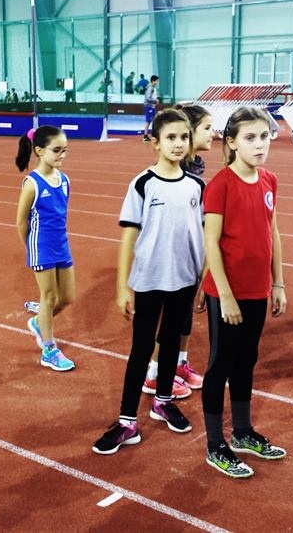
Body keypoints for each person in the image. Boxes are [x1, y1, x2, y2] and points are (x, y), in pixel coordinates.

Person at [92, 108, 204, 455]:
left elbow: (201, 235)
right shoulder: (142, 184)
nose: (178, 144)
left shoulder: (197, 186)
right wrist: (122, 287)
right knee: (142, 348)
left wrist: (202, 279)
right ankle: (127, 421)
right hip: (150, 280)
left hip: (184, 279)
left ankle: (163, 401)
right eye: (170, 137)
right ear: (155, 142)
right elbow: (129, 237)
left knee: (170, 342)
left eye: (183, 137)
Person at [201, 106, 287, 479]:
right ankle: (215, 444)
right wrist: (225, 294)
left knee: (246, 361)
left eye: (264, 136)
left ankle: (242, 431)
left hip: (257, 290)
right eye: (250, 138)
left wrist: (278, 282)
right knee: (220, 364)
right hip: (228, 294)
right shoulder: (220, 185)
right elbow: (211, 242)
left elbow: (272, 232)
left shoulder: (269, 180)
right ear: (232, 143)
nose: (259, 144)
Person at [141, 104, 216, 399]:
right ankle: (154, 374)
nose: (212, 133)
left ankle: (179, 363)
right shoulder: (176, 169)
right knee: (172, 318)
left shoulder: (196, 165)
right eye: (207, 128)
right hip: (171, 254)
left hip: (190, 252)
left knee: (185, 316)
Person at [15, 126, 76, 372]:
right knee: (49, 297)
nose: (62, 155)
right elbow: (21, 222)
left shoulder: (65, 180)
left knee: (67, 298)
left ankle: (40, 322)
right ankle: (49, 350)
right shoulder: (32, 183)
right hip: (41, 246)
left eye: (65, 150)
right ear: (39, 151)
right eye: (57, 150)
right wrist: (31, 248)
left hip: (61, 244)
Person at [142, 75, 160, 142]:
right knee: (148, 121)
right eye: (157, 81)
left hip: (152, 106)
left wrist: (156, 100)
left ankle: (152, 135)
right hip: (149, 106)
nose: (157, 82)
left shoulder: (153, 88)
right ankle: (145, 136)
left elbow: (153, 97)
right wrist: (155, 101)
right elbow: (147, 98)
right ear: (153, 81)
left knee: (153, 121)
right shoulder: (150, 88)